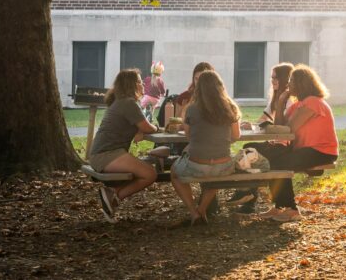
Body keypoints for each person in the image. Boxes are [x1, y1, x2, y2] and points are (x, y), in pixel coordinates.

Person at [261, 65, 339, 223]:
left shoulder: (313, 103)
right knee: (272, 160)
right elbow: (280, 126)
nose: (288, 84)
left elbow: (288, 129)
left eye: (292, 81)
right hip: (306, 150)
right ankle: (279, 206)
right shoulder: (298, 104)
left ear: (302, 84)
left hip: (321, 151)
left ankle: (291, 210)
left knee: (280, 163)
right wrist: (281, 102)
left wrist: (280, 122)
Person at [169, 70, 241, 226]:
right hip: (224, 166)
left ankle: (194, 212)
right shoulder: (230, 108)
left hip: (197, 164)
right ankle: (202, 210)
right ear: (220, 86)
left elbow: (189, 136)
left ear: (198, 88)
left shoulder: (192, 109)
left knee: (174, 172)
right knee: (215, 175)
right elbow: (236, 136)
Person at [88, 69, 160, 222]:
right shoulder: (128, 104)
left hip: (104, 153)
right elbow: (147, 127)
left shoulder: (121, 102)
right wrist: (156, 128)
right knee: (150, 174)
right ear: (132, 85)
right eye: (140, 81)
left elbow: (134, 126)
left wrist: (139, 130)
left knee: (146, 168)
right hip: (106, 155)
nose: (142, 84)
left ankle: (111, 196)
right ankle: (114, 197)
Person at [228, 62, 294, 212]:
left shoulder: (289, 100)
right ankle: (248, 196)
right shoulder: (276, 98)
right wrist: (249, 124)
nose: (272, 80)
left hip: (284, 145)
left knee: (251, 153)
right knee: (248, 149)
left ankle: (248, 196)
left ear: (285, 79)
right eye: (271, 77)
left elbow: (286, 128)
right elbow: (262, 120)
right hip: (275, 142)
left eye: (276, 77)